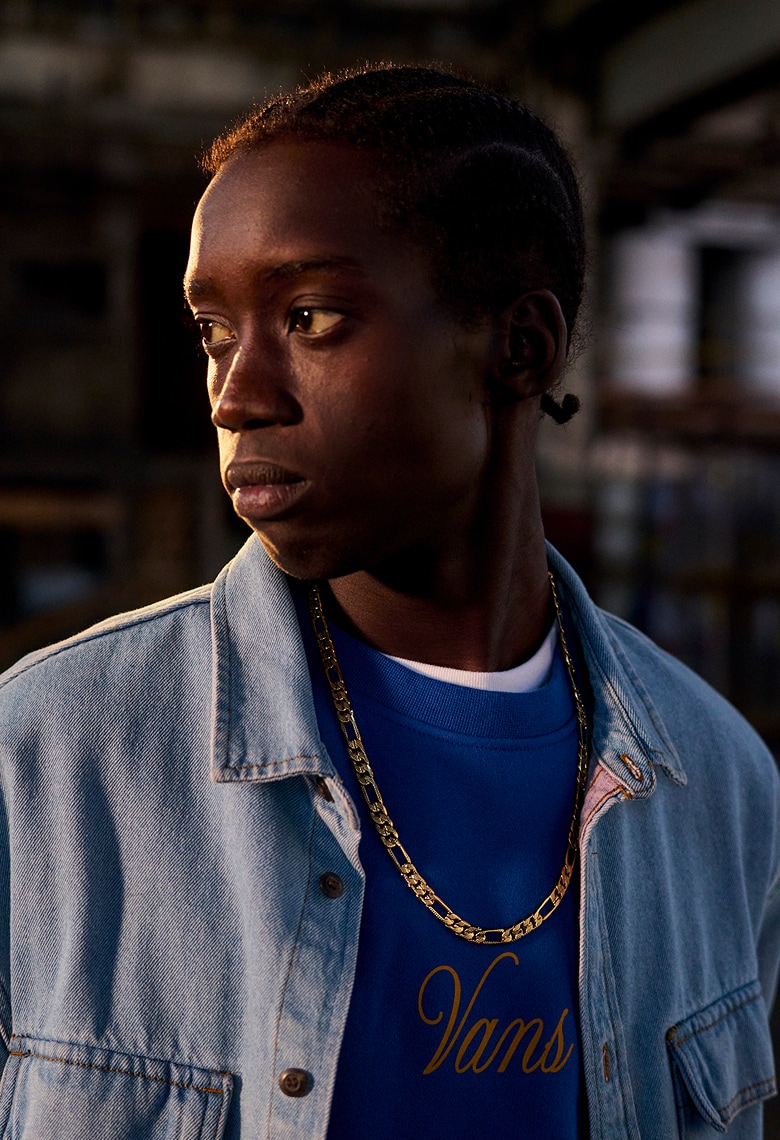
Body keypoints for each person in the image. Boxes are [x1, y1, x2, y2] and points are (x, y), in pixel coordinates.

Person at [0, 63, 777, 1140]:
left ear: (519, 348)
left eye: (310, 317)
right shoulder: (45, 755)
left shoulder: (724, 787)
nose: (238, 393)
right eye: (214, 331)